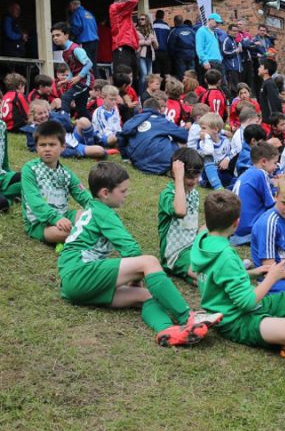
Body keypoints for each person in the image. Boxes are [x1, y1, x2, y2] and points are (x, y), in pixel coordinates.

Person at [58, 161, 219, 346]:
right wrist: (137, 274)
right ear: (105, 193)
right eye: (123, 191)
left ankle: (167, 331)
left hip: (74, 285)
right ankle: (187, 316)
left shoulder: (93, 208)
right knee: (148, 262)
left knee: (145, 295)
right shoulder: (103, 213)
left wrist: (135, 282)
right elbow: (131, 250)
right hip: (80, 273)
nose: (127, 194)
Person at [191, 190, 285, 369]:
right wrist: (272, 277)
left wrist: (254, 273)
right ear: (236, 223)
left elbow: (216, 277)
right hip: (234, 320)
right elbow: (246, 303)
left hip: (251, 303)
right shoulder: (226, 255)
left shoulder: (202, 239)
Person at [21, 120, 92, 244]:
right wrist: (55, 219)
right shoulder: (29, 169)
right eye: (42, 145)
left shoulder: (67, 173)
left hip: (63, 215)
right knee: (64, 233)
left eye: (52, 144)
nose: (47, 149)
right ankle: (84, 236)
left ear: (63, 147)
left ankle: (84, 234)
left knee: (89, 215)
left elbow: (83, 195)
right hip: (39, 223)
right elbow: (35, 202)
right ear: (37, 147)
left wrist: (98, 210)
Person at [158, 148, 203, 284]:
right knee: (202, 274)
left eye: (197, 176)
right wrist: (178, 180)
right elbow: (180, 211)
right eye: (189, 176)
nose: (193, 180)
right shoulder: (168, 194)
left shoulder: (194, 193)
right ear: (175, 173)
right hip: (176, 253)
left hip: (192, 246)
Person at [117, 97, 188, 175]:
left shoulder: (133, 120)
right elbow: (184, 135)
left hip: (138, 164)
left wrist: (125, 157)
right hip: (162, 164)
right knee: (181, 144)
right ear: (158, 110)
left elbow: (121, 136)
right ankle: (172, 168)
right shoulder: (160, 121)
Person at [231, 141, 278, 245]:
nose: (276, 167)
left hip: (237, 227)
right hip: (250, 227)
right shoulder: (261, 173)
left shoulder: (249, 172)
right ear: (264, 161)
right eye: (275, 163)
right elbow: (271, 204)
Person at [51, 22, 93, 120]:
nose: (55, 38)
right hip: (79, 80)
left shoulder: (76, 49)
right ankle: (93, 125)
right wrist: (67, 80)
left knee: (65, 97)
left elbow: (89, 64)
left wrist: (79, 77)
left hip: (85, 81)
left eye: (58, 35)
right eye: (53, 36)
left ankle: (64, 123)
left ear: (66, 35)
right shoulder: (64, 52)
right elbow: (71, 69)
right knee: (81, 109)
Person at [109, 0, 139, 86]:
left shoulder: (125, 12)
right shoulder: (115, 7)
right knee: (122, 77)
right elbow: (133, 1)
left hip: (129, 47)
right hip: (121, 45)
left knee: (134, 77)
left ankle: (132, 99)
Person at [67, 0, 99, 76]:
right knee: (93, 63)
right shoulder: (89, 14)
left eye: (69, 6)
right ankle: (96, 80)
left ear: (72, 5)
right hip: (95, 41)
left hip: (84, 42)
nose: (69, 9)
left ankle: (88, 82)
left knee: (85, 63)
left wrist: (71, 36)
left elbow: (76, 27)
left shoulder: (76, 13)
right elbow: (95, 28)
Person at [0, 118, 21, 212]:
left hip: (2, 177)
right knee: (4, 204)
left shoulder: (1, 125)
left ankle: (7, 193)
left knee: (30, 178)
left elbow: (4, 159)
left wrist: (13, 175)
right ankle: (9, 197)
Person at [135, 13, 158, 96]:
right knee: (144, 74)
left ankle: (148, 94)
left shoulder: (151, 31)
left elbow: (156, 46)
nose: (140, 21)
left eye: (142, 19)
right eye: (139, 19)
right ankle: (141, 95)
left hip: (150, 55)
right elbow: (134, 43)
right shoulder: (136, 30)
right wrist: (145, 42)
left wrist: (154, 41)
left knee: (149, 76)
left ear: (147, 20)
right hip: (141, 55)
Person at [221, 23, 243, 96]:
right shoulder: (227, 40)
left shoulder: (235, 41)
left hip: (237, 69)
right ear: (229, 31)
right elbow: (224, 52)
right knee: (232, 89)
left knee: (238, 88)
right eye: (233, 31)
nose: (235, 32)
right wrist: (236, 51)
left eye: (237, 31)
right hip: (231, 68)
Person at [257, 57, 282, 122]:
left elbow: (274, 101)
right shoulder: (265, 83)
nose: (258, 69)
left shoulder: (269, 84)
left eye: (260, 67)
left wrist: (275, 120)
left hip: (270, 121)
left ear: (266, 70)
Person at [152, 10, 171, 76]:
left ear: (155, 16)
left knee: (157, 73)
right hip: (165, 52)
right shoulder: (167, 27)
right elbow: (169, 40)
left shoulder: (152, 26)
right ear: (163, 16)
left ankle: (157, 86)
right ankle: (168, 86)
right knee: (167, 73)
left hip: (155, 51)